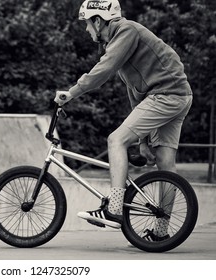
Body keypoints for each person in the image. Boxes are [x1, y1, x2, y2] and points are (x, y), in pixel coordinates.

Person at [54, 0, 193, 239]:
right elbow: (135, 93)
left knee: (115, 140)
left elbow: (103, 70)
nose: (87, 31)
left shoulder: (126, 30)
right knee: (166, 166)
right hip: (178, 96)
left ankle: (114, 209)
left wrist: (72, 92)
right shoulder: (121, 40)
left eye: (87, 25)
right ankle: (161, 233)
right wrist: (141, 141)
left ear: (98, 21)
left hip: (166, 95)